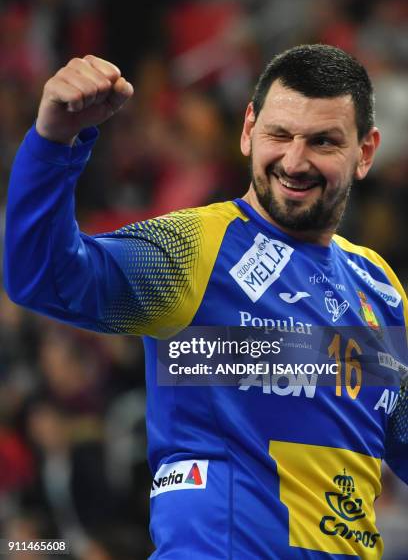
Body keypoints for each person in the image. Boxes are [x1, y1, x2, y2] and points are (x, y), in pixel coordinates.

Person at [4, 45, 408, 559]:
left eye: (323, 141)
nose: (295, 160)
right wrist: (54, 141)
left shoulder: (380, 286)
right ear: (248, 131)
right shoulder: (195, 249)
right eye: (279, 135)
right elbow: (42, 277)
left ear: (366, 152)